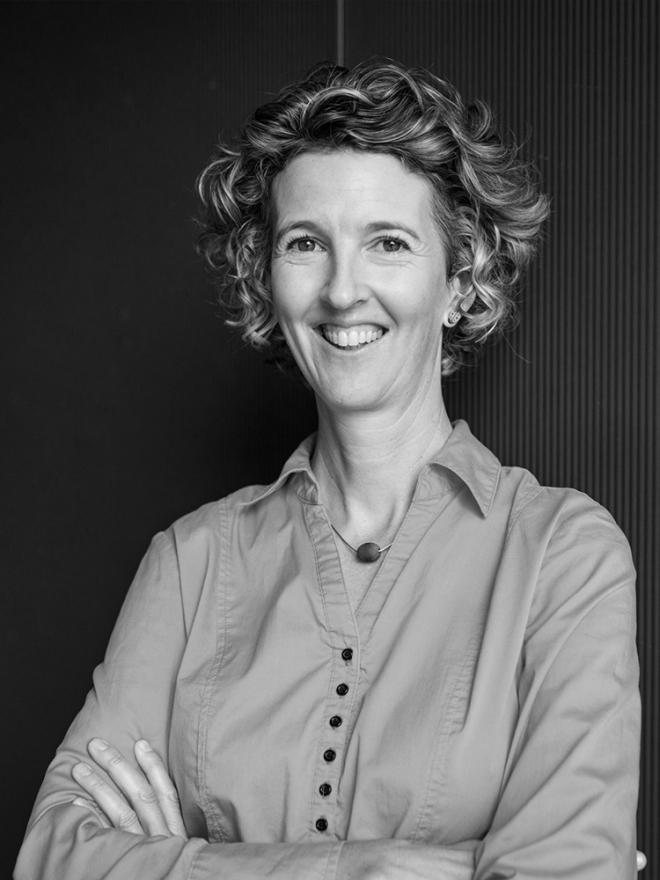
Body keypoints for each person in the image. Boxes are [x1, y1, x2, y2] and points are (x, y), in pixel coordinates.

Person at [15, 58, 640, 880]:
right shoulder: (188, 562)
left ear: (458, 280)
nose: (343, 292)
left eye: (388, 243)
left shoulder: (564, 553)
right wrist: (365, 868)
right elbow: (53, 857)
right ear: (267, 279)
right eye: (306, 244)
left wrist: (179, 862)